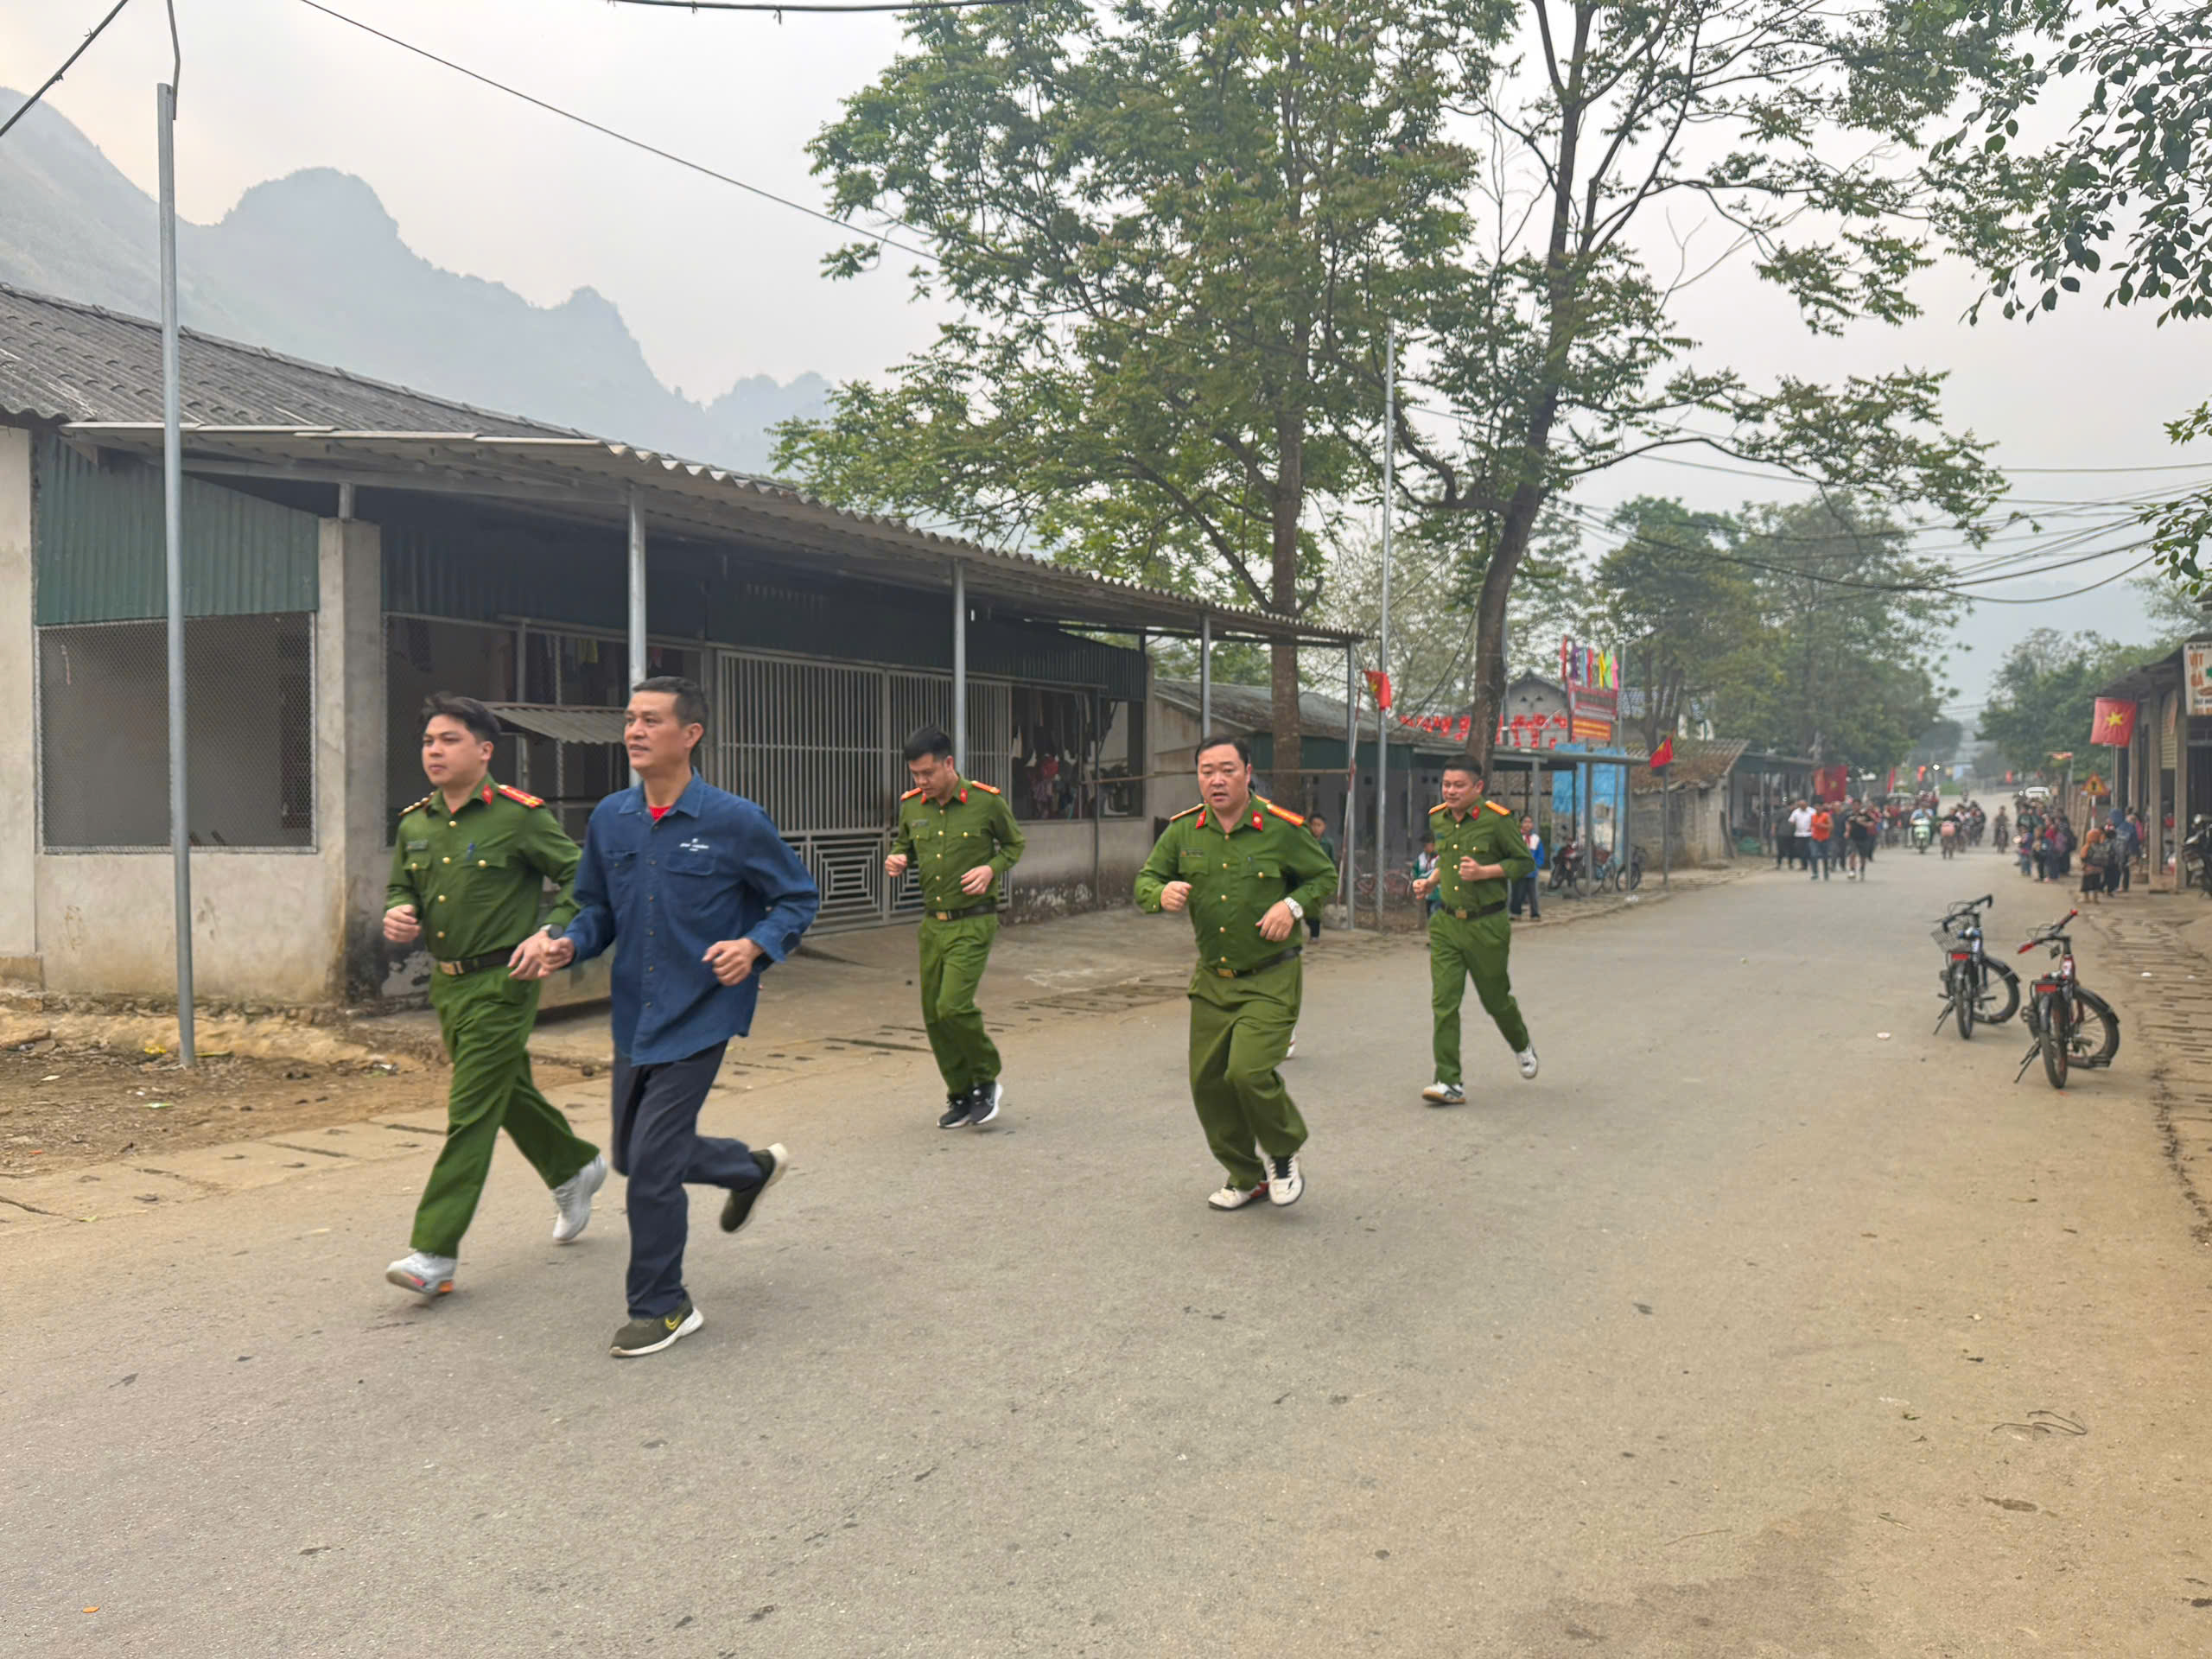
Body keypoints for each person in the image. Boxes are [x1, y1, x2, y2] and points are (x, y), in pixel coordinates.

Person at [526, 677, 821, 1357]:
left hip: (702, 1012)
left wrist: (754, 946)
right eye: (629, 719)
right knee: (633, 1157)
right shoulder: (612, 820)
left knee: (652, 1167)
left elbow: (797, 900)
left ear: (690, 735)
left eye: (651, 720)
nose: (634, 731)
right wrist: (568, 940)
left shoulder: (734, 820)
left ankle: (663, 1305)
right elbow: (595, 907)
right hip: (636, 1014)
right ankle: (748, 1170)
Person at [381, 695, 608, 1300]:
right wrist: (397, 911)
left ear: (484, 751)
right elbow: (402, 884)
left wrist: (552, 932)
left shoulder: (520, 817)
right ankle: (573, 1166)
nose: (434, 749)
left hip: (505, 982)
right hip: (449, 985)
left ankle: (434, 1251)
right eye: (428, 740)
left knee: (471, 1109)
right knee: (505, 1089)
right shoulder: (414, 823)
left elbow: (582, 884)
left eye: (449, 739)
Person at [1133, 734, 1337, 1211]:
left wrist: (1291, 905)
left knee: (1247, 1072)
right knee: (1208, 1084)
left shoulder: (1281, 829)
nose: (1216, 780)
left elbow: (1324, 876)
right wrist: (1158, 895)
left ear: (1248, 772)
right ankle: (1246, 1174)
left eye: (1227, 769)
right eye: (1207, 771)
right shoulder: (1184, 832)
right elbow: (1147, 879)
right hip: (1212, 979)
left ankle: (1283, 1153)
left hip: (1270, 974)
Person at [885, 728, 1026, 1129]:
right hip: (933, 925)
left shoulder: (986, 803)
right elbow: (903, 845)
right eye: (914, 774)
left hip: (973, 920)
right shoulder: (912, 807)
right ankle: (960, 1092)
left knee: (953, 1006)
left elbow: (1015, 845)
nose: (921, 782)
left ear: (949, 764)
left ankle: (986, 1079)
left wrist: (990, 868)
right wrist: (896, 859)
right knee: (933, 1014)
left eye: (927, 773)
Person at [1412, 759, 1538, 1108]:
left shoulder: (1498, 820)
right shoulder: (1438, 817)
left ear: (1478, 788)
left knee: (1495, 999)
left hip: (1487, 925)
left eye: (1458, 785)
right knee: (1444, 1002)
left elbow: (1525, 863)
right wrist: (1430, 881)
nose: (1450, 791)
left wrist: (1485, 872)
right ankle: (1448, 1080)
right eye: (1446, 784)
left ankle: (1521, 1043)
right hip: (1447, 923)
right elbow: (1448, 860)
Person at [1305, 814, 1340, 939]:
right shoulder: (1305, 840)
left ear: (1324, 827)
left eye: (1319, 825)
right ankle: (1310, 924)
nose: (1316, 828)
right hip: (1306, 878)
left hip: (1321, 879)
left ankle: (1315, 934)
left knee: (1315, 906)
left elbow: (1332, 862)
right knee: (1306, 907)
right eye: (1313, 825)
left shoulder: (1328, 843)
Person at [1510, 816, 1545, 918]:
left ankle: (1535, 913)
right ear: (1520, 824)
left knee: (1533, 894)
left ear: (1532, 825)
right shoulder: (1516, 837)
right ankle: (1516, 913)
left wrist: (1536, 865)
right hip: (1519, 871)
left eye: (1530, 822)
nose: (1528, 824)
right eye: (1525, 822)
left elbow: (1540, 855)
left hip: (1531, 872)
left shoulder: (1536, 839)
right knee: (1518, 893)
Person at [1845, 802, 1877, 880]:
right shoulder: (1850, 815)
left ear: (1860, 806)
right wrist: (1847, 832)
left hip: (1863, 838)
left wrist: (1862, 823)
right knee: (1852, 853)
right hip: (1853, 838)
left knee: (1863, 857)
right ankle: (1852, 870)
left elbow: (1872, 824)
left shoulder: (1865, 815)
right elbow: (1847, 823)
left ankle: (1862, 869)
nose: (1856, 807)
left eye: (1857, 805)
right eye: (1854, 805)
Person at [1414, 836, 1440, 918]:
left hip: (1439, 894)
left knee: (1435, 913)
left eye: (1426, 846)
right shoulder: (1423, 857)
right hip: (1429, 895)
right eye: (1423, 846)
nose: (1424, 848)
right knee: (1429, 915)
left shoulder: (1440, 858)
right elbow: (1417, 870)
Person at [1808, 801, 1834, 880]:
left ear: (1822, 808)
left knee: (1825, 857)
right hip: (1815, 839)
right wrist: (1810, 828)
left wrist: (1823, 826)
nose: (1817, 809)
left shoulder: (1826, 816)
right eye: (1816, 807)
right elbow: (1812, 825)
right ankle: (1815, 873)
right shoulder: (1813, 816)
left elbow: (1831, 826)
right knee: (1814, 855)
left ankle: (1826, 872)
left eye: (1819, 807)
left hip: (1825, 839)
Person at [1788, 798, 1815, 872]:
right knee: (1800, 850)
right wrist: (1793, 824)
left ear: (1806, 804)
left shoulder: (1812, 811)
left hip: (1809, 834)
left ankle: (1812, 864)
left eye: (1803, 805)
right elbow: (1791, 820)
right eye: (1800, 805)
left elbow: (1816, 820)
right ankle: (1804, 865)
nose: (1802, 806)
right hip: (1799, 834)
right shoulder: (1796, 812)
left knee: (1808, 850)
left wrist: (1812, 826)